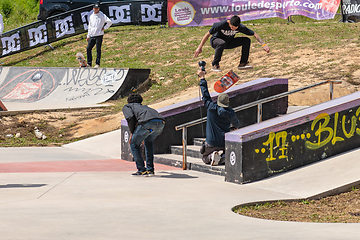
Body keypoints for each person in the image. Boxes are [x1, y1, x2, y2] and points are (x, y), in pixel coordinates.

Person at [194, 15, 270, 72]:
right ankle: (215, 64)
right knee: (222, 43)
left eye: (235, 29)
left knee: (246, 40)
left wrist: (264, 44)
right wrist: (199, 47)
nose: (233, 29)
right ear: (229, 22)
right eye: (232, 27)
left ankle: (243, 63)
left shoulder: (240, 27)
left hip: (228, 42)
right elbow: (207, 34)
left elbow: (254, 34)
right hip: (215, 41)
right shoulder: (220, 24)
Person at [198, 68, 240, 165]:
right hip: (224, 143)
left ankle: (211, 156)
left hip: (211, 143)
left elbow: (205, 95)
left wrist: (202, 78)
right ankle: (223, 157)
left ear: (218, 101)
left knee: (204, 158)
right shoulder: (231, 112)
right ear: (228, 103)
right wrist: (235, 127)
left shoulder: (211, 108)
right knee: (228, 149)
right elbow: (236, 123)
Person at [122, 93, 165, 176]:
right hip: (160, 123)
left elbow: (130, 118)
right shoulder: (144, 107)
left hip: (147, 123)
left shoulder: (127, 106)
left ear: (128, 101)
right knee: (148, 143)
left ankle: (141, 170)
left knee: (134, 144)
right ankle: (150, 170)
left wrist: (132, 133)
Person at [86, 3, 112, 68]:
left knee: (98, 49)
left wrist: (104, 28)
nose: (96, 9)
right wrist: (88, 35)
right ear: (93, 8)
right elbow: (90, 26)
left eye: (97, 8)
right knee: (88, 48)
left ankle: (97, 63)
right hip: (92, 35)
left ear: (99, 9)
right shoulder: (91, 16)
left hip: (99, 35)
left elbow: (109, 22)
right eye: (95, 8)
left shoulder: (102, 15)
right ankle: (89, 63)